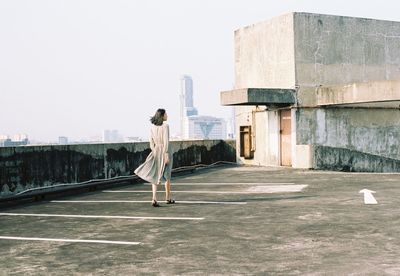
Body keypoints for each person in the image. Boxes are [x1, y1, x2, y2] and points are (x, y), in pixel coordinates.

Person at [134, 108, 174, 207]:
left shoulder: (152, 128)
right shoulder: (165, 126)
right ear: (162, 116)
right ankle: (168, 198)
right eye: (166, 114)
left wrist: (155, 150)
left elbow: (151, 142)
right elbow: (166, 141)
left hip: (156, 151)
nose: (167, 116)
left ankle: (154, 198)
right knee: (167, 175)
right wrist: (166, 154)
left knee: (154, 175)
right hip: (165, 151)